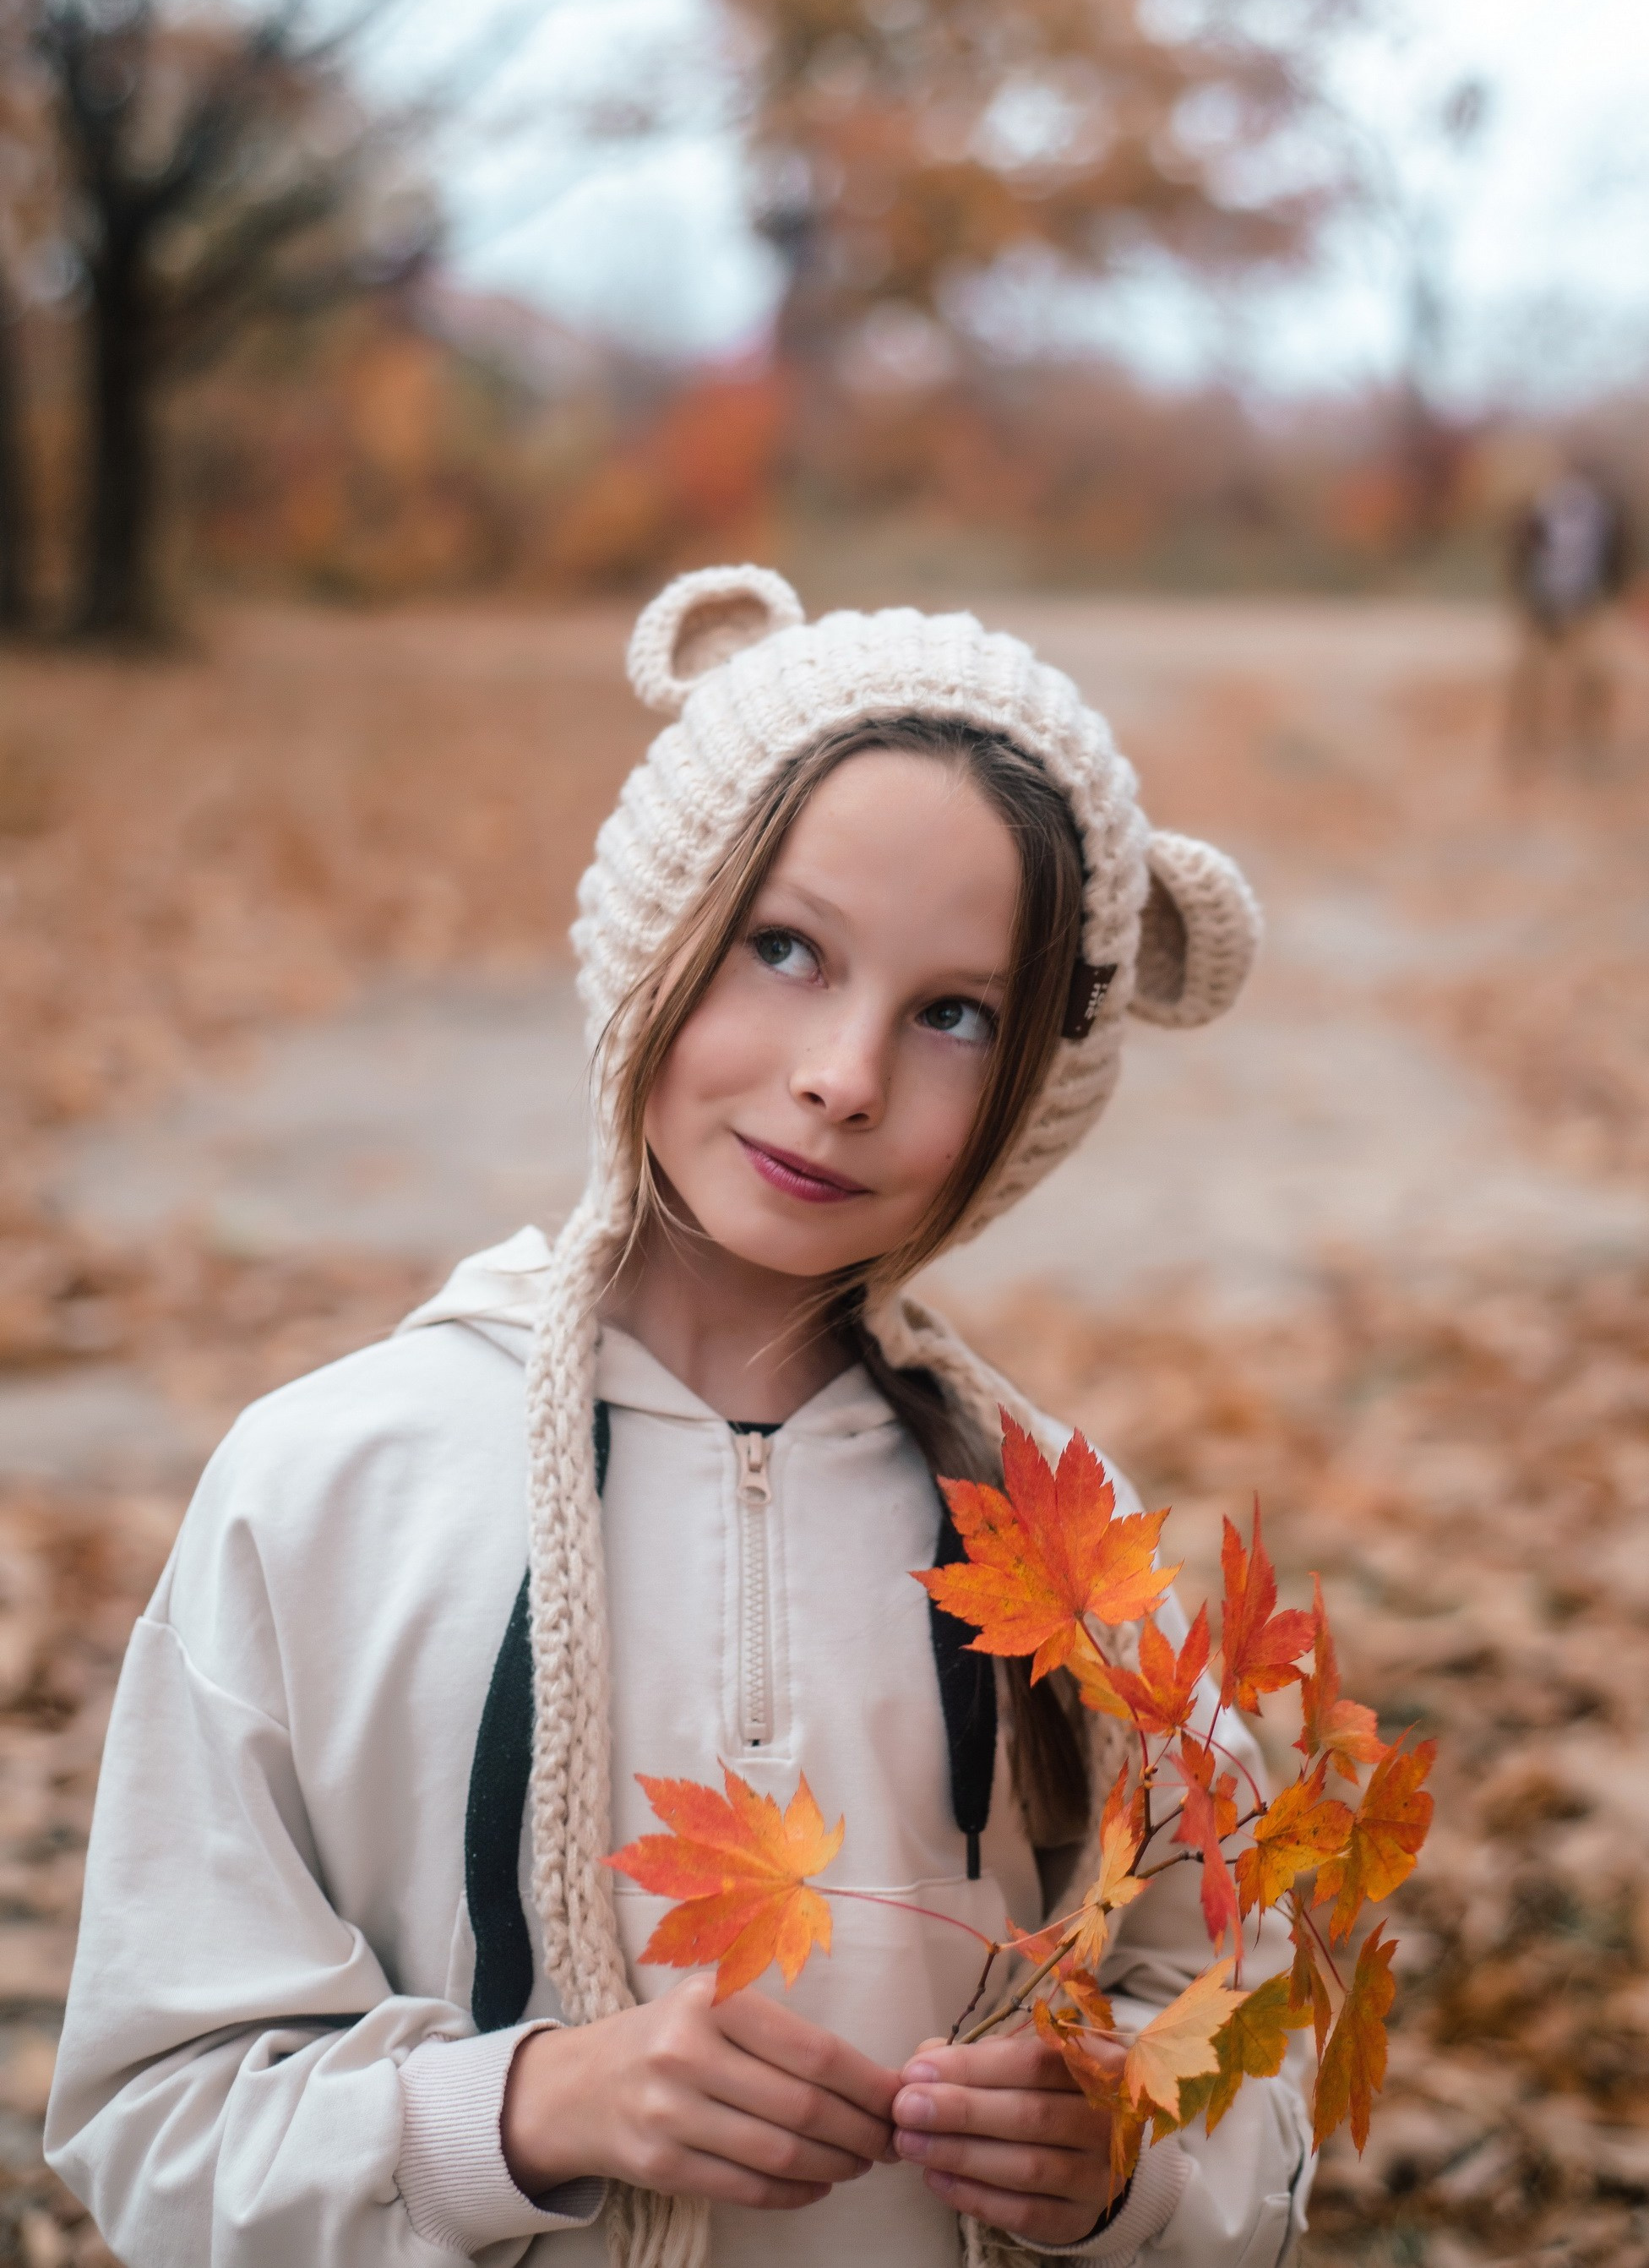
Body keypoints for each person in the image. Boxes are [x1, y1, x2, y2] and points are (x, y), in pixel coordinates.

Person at [46, 567, 1310, 2268]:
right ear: (659, 931)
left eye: (954, 1013)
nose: (844, 1073)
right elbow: (156, 2120)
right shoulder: (327, 1487)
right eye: (782, 949)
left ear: (1028, 1086)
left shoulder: (1071, 1557)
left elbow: (1245, 2086)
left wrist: (1129, 2165)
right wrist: (515, 2113)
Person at [1504, 466, 1637, 767]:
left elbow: (1616, 558)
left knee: (1588, 677)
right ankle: (1526, 743)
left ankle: (1586, 743)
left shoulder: (1600, 514)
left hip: (1582, 605)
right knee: (1532, 678)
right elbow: (1519, 557)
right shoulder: (1538, 510)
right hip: (1544, 606)